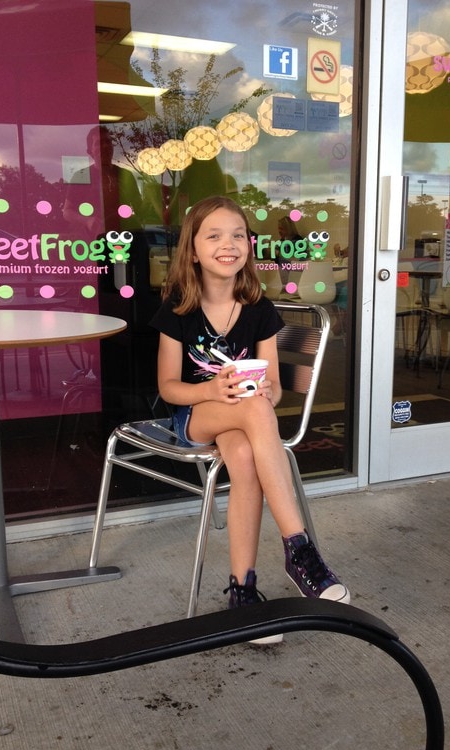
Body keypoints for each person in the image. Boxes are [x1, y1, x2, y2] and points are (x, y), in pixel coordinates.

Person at [150, 196, 350, 642]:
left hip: (244, 420)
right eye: (215, 235)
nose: (229, 244)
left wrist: (263, 392)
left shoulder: (259, 310)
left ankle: (243, 593)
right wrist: (210, 390)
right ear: (193, 249)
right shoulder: (179, 308)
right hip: (193, 417)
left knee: (243, 456)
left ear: (248, 246)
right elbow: (168, 387)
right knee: (253, 412)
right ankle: (299, 549)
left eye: (238, 235)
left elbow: (274, 389)